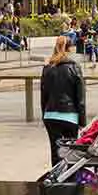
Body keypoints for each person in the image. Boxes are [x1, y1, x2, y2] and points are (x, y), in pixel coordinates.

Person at [40, 36, 86, 166]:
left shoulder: (48, 67)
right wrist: (82, 121)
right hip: (70, 117)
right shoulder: (74, 67)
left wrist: (44, 115)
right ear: (69, 48)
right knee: (70, 154)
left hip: (50, 116)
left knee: (56, 153)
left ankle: (56, 180)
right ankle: (69, 182)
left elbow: (44, 95)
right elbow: (80, 98)